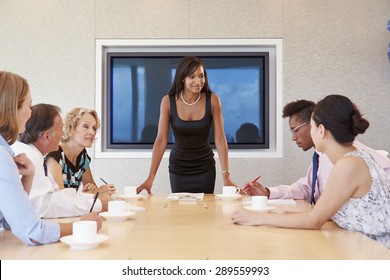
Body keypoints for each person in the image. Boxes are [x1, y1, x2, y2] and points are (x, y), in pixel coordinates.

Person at [233, 94, 390, 248]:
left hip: (374, 253)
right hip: (359, 245)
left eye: (312, 127)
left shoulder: (348, 165)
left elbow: (314, 220)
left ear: (321, 130)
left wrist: (256, 217)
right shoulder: (355, 158)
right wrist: (280, 213)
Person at [0, 71, 102, 245]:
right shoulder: (4, 156)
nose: (30, 113)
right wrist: (82, 225)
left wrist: (28, 178)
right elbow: (32, 232)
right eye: (28, 105)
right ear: (12, 109)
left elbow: (10, 220)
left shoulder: (9, 153)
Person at [242, 99, 390, 203]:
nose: (293, 138)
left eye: (295, 130)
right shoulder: (320, 156)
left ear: (319, 127)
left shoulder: (351, 158)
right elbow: (306, 188)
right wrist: (268, 192)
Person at [137, 56, 235, 194]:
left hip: (204, 168)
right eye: (192, 77)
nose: (198, 81)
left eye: (201, 76)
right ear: (182, 78)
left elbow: (220, 138)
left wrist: (226, 177)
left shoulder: (213, 100)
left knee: (205, 211)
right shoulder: (168, 101)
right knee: (180, 212)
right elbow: (161, 140)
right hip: (179, 168)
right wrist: (150, 178)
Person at [12, 104, 110, 218]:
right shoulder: (30, 159)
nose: (62, 134)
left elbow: (57, 195)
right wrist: (95, 204)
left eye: (94, 128)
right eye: (60, 130)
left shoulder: (35, 156)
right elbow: (48, 205)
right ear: (47, 136)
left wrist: (91, 199)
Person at [46, 107, 115, 195]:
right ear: (71, 128)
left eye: (94, 128)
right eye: (86, 126)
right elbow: (61, 201)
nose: (92, 132)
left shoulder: (82, 157)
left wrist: (92, 190)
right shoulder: (55, 157)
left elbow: (92, 190)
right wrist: (91, 194)